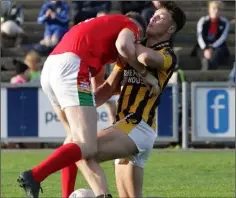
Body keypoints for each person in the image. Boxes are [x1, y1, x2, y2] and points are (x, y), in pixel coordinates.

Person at [17, 13, 159, 198]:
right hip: (71, 66)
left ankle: (75, 195)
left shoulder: (99, 35)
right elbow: (124, 46)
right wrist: (144, 73)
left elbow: (101, 90)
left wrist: (116, 89)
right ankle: (35, 175)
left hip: (51, 69)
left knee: (73, 141)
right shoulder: (131, 27)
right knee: (87, 146)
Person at [75, 2, 186, 197]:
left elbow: (145, 58)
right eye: (154, 15)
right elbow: (109, 88)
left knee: (82, 151)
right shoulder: (130, 49)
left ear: (171, 29)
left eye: (160, 17)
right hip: (123, 127)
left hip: (137, 126)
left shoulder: (167, 54)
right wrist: (81, 107)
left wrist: (126, 39)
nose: (153, 18)